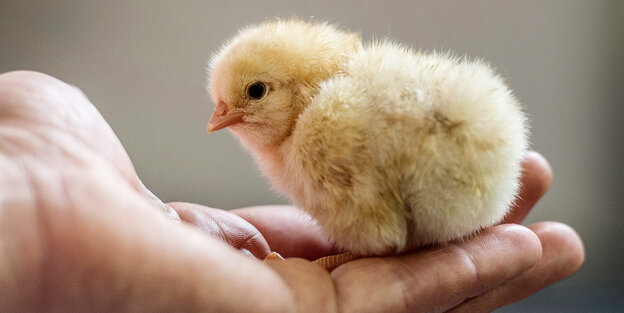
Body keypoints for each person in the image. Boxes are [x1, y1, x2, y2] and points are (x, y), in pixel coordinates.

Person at [0, 70, 583, 312]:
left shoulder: (321, 129)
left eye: (252, 92)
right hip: (478, 192)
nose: (224, 115)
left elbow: (376, 226)